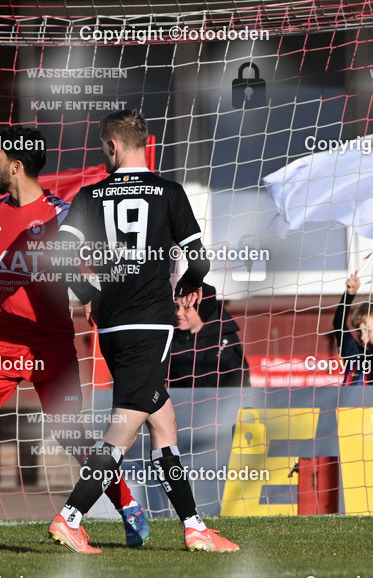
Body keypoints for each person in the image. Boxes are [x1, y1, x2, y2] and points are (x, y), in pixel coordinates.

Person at [0, 126, 148, 549]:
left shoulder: (63, 215)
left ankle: (130, 507)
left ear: (16, 165)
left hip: (51, 346)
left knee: (72, 436)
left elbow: (92, 273)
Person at [47, 109, 238, 553]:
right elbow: (200, 262)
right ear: (144, 144)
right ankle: (70, 516)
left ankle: (194, 526)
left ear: (112, 147)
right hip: (151, 324)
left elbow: (59, 255)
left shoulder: (90, 194)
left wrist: (89, 293)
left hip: (110, 325)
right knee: (125, 425)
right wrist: (192, 285)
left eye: (101, 147)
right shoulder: (169, 192)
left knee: (163, 421)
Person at [168, 283, 249, 388]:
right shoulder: (171, 335)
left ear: (202, 311)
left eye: (186, 308)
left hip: (219, 401)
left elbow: (235, 381)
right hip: (180, 400)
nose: (178, 313)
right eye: (177, 307)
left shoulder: (224, 337)